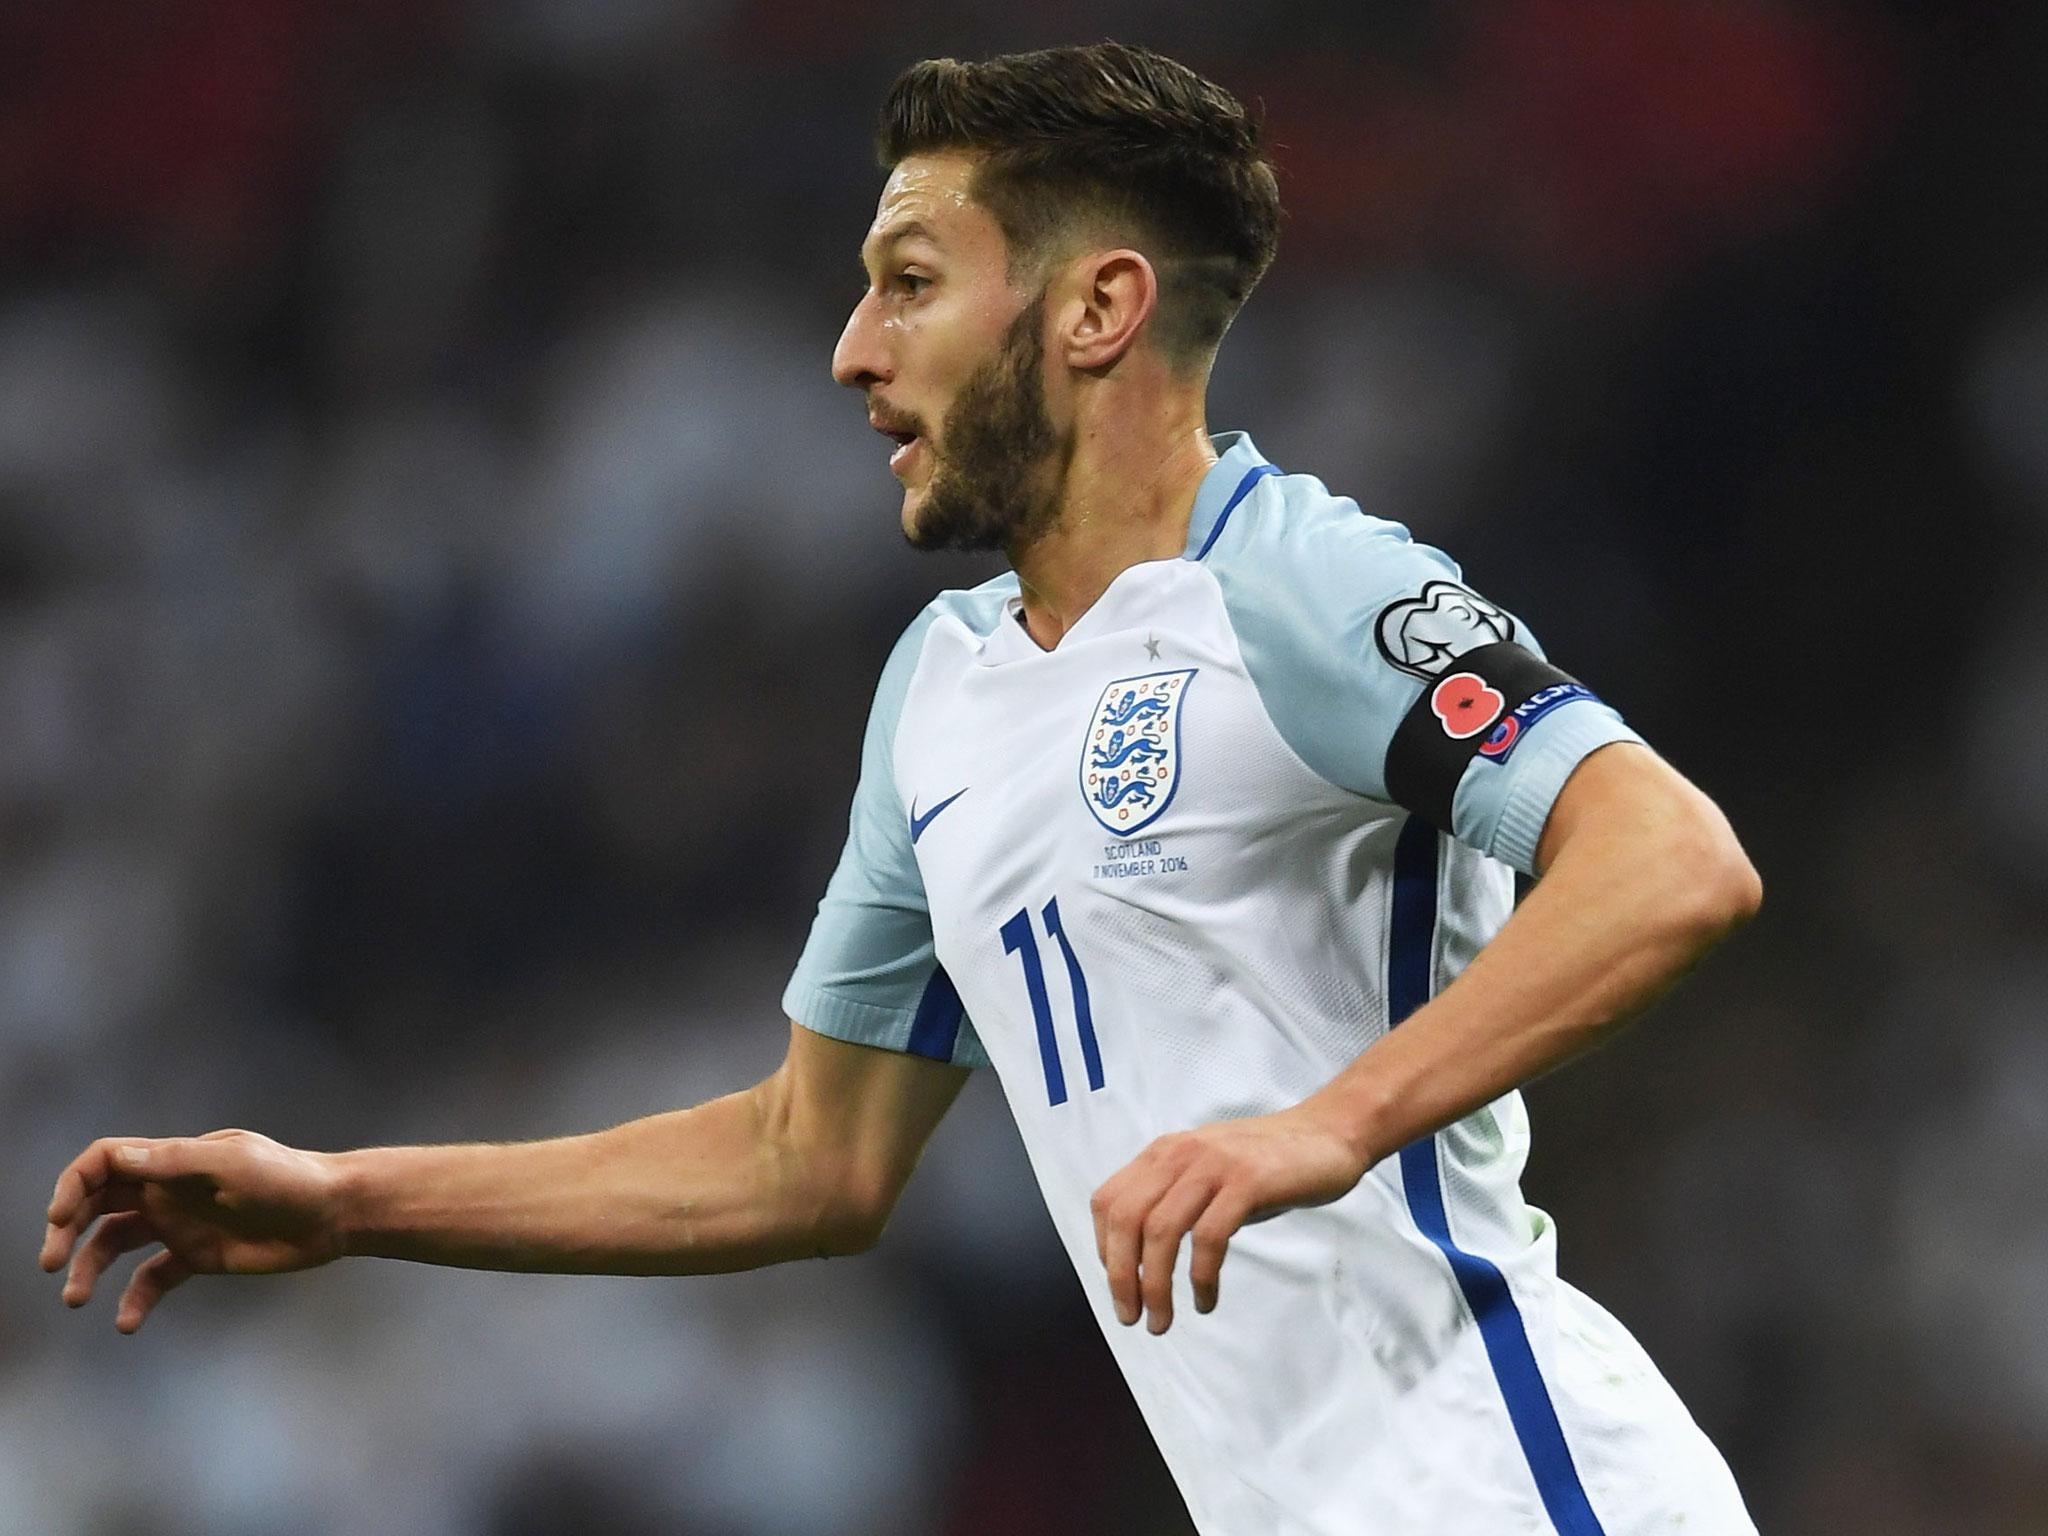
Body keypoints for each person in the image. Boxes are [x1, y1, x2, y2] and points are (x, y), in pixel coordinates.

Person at [42, 42, 1763, 1536]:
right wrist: (351, 1202)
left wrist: (1326, 1125)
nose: (855, 351)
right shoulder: (943, 691)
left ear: (1098, 308)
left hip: (1521, 1483)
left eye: (913, 283)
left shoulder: (1297, 585)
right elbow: (812, 1157)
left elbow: (1670, 862)